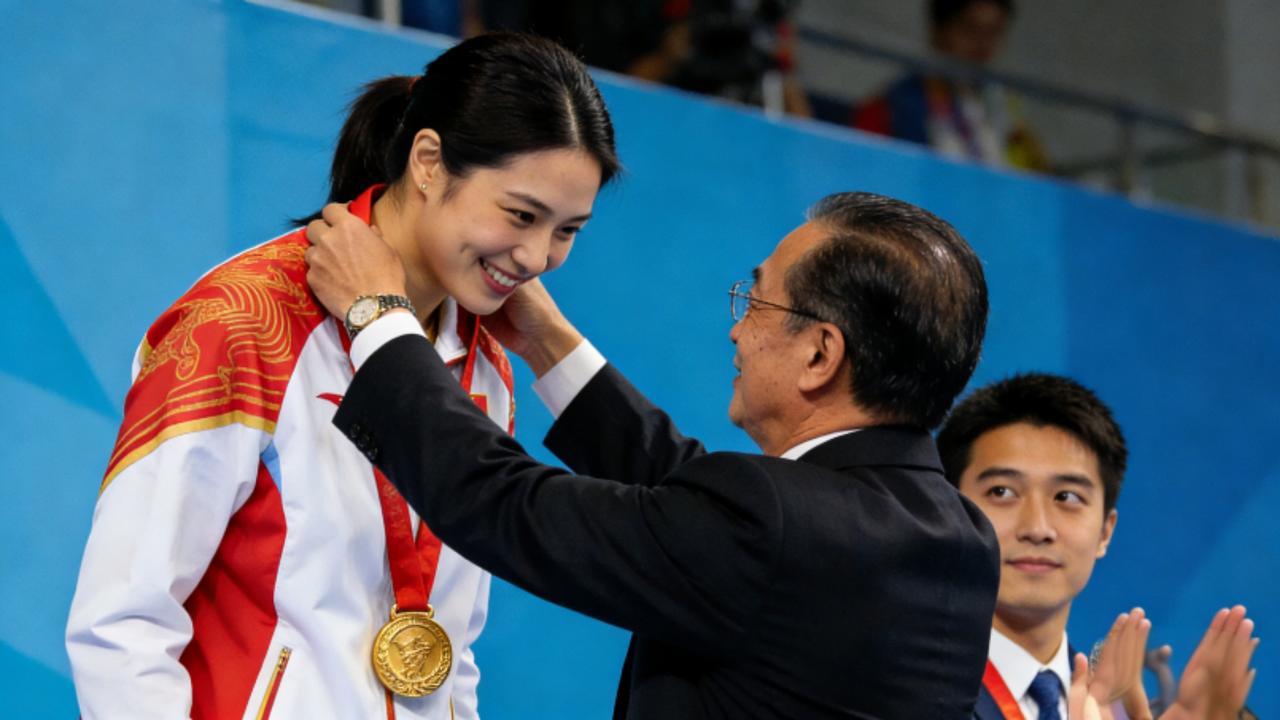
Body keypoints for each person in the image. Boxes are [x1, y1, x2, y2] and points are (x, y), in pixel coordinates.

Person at [66, 33, 619, 720]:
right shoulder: (244, 321)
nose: (537, 257)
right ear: (428, 162)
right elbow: (121, 627)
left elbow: (454, 647)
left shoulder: (489, 363)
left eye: (568, 230)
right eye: (522, 215)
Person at [303, 191, 1001, 718]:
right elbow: (695, 501)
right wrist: (548, 342)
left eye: (755, 302)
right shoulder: (960, 538)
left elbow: (506, 503)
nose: (737, 332)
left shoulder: (774, 529)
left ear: (820, 354)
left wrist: (377, 318)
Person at [936, 373, 1260, 720]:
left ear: (1106, 531)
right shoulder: (908, 693)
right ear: (949, 512)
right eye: (1002, 492)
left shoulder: (1121, 712)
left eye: (1067, 497)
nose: (1037, 529)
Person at [852, 0, 1049, 171]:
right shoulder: (895, 107)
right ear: (939, 31)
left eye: (994, 32)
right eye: (971, 30)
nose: (983, 45)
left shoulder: (1008, 110)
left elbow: (1039, 174)